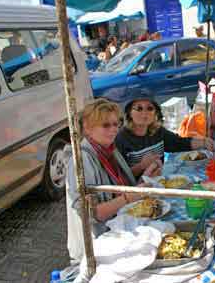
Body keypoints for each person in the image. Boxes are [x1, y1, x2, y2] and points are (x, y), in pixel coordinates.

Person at [65, 99, 159, 263]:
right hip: (100, 245)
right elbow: (92, 213)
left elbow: (123, 188)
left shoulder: (109, 149)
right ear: (87, 127)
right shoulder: (81, 160)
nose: (114, 129)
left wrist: (146, 174)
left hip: (122, 227)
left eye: (116, 124)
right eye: (106, 125)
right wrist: (130, 197)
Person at [107, 88, 214, 178]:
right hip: (136, 192)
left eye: (150, 108)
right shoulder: (120, 138)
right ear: (129, 113)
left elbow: (179, 143)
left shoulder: (158, 131)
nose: (145, 113)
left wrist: (204, 142)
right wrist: (141, 166)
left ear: (155, 113)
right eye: (139, 108)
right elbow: (119, 177)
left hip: (159, 182)